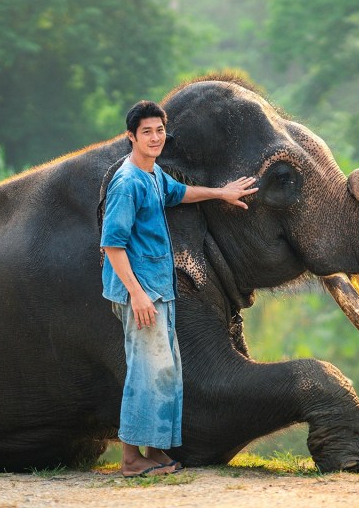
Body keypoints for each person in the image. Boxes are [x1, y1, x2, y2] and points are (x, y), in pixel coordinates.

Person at [100, 100, 258, 478]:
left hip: (159, 287)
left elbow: (179, 193)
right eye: (146, 132)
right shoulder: (127, 183)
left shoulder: (152, 175)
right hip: (140, 292)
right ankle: (130, 459)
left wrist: (220, 193)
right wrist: (136, 294)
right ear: (131, 137)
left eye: (159, 131)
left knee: (165, 371)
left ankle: (153, 451)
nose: (155, 138)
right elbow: (112, 244)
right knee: (144, 371)